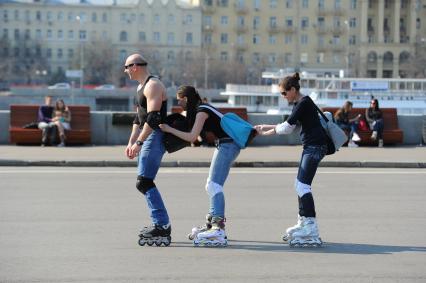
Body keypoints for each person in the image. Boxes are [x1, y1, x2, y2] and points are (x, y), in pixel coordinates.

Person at [159, 86, 240, 247]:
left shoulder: (202, 110)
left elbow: (191, 137)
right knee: (212, 184)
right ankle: (212, 224)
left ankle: (218, 228)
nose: (178, 102)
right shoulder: (199, 109)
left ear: (186, 99)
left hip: (228, 144)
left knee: (214, 185)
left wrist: (168, 129)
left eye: (179, 99)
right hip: (226, 144)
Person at [255, 73, 326, 247]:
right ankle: (303, 221)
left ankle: (311, 226)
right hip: (312, 146)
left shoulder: (303, 103)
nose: (283, 96)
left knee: (303, 186)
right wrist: (267, 127)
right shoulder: (302, 103)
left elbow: (287, 128)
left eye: (284, 93)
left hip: (315, 147)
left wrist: (266, 133)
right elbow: (291, 125)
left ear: (293, 90)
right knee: (299, 185)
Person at [124, 54, 171, 247]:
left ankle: (162, 225)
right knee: (143, 182)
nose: (125, 71)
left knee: (144, 181)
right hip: (146, 136)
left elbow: (153, 119)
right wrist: (131, 141)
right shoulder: (140, 87)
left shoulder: (153, 85)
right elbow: (139, 118)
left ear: (135, 66)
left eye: (126, 67)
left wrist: (140, 142)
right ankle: (160, 223)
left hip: (154, 136)